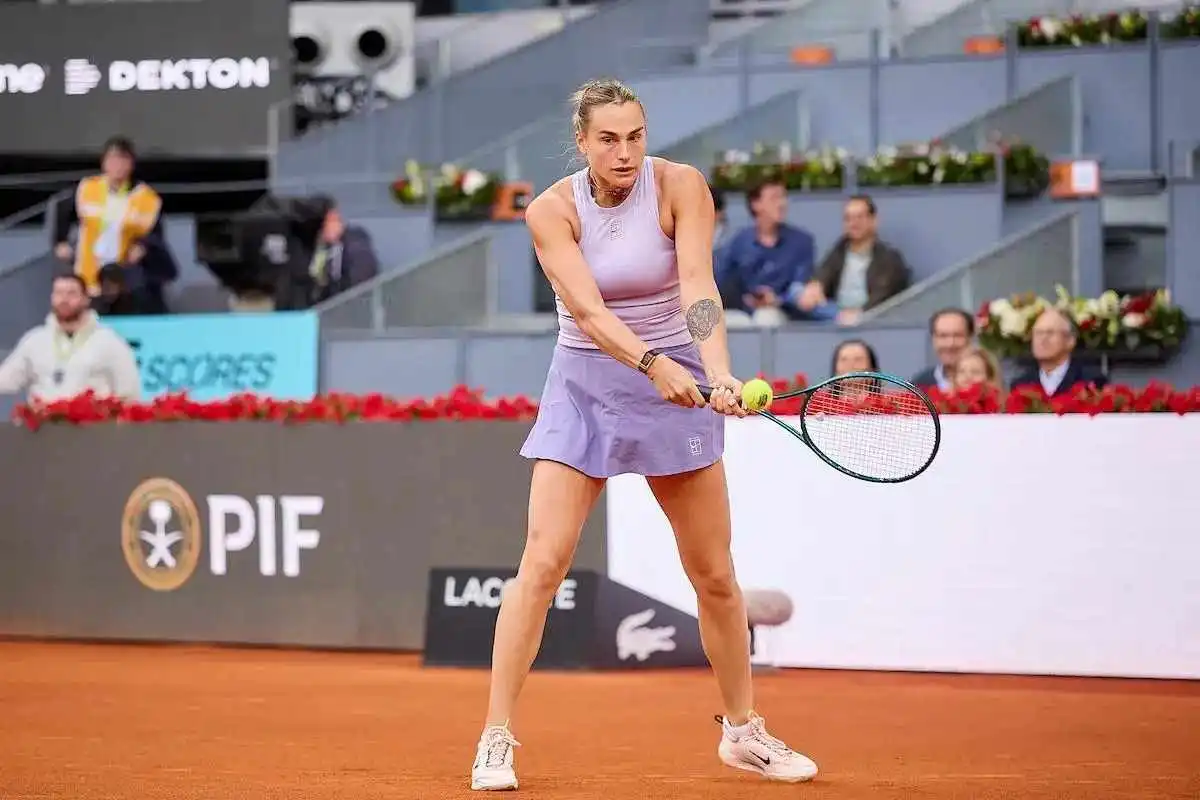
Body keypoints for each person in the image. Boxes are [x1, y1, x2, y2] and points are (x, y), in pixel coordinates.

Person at [469, 78, 819, 792]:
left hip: (679, 379)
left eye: (634, 136)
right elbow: (590, 314)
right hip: (586, 387)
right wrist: (655, 364)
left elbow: (697, 285)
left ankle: (743, 732)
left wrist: (714, 368)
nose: (624, 152)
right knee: (542, 563)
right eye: (608, 139)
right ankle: (495, 737)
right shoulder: (551, 211)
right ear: (582, 142)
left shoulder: (681, 186)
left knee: (714, 574)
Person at [0, 273, 141, 403]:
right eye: (59, 293)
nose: (64, 300)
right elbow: (7, 379)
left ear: (85, 299)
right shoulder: (34, 340)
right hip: (43, 421)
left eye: (71, 293)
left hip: (92, 421)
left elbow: (128, 391)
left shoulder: (108, 341)